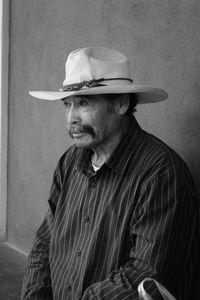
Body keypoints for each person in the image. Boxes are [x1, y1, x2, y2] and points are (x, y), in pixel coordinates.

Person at [22, 46, 199, 300]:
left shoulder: (160, 172)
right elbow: (45, 243)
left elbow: (147, 274)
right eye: (67, 105)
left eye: (83, 103)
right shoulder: (69, 161)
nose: (71, 117)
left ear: (121, 104)